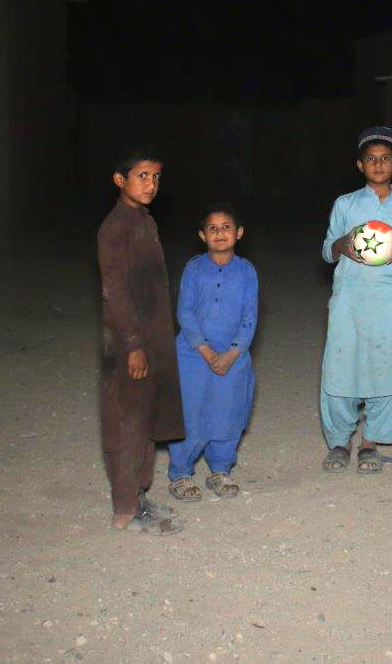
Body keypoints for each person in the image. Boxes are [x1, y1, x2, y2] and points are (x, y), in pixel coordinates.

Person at [320, 126, 392, 474]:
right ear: (359, 164)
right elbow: (327, 250)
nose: (378, 164)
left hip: (390, 300)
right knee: (340, 367)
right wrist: (343, 244)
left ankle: (370, 442)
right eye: (371, 159)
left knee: (386, 367)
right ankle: (340, 441)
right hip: (349, 298)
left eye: (385, 158)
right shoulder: (345, 204)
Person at [96, 147, 185, 535]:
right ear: (120, 180)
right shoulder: (115, 228)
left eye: (156, 177)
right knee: (129, 423)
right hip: (130, 343)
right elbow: (114, 292)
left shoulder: (143, 220)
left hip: (153, 339)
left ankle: (139, 495)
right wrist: (132, 345)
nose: (151, 184)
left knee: (147, 419)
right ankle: (125, 509)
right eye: (142, 176)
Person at [167, 203, 259, 502]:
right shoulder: (194, 268)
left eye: (227, 227)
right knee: (190, 412)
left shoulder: (247, 272)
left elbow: (249, 317)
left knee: (228, 410)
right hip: (193, 354)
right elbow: (186, 312)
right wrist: (206, 351)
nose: (220, 233)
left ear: (239, 232)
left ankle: (220, 469)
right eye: (213, 228)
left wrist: (233, 354)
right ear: (202, 235)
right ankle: (181, 472)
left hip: (234, 355)